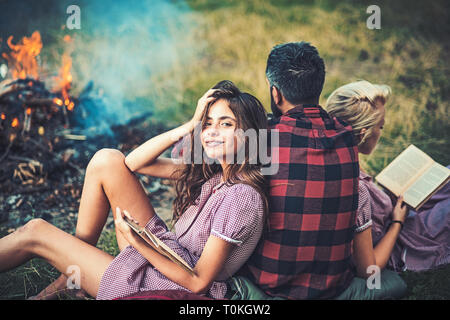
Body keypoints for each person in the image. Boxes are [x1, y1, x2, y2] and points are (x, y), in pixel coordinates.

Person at [0, 80, 269, 300]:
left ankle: (76, 274)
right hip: (164, 255)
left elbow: (197, 283)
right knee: (107, 160)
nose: (211, 131)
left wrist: (140, 243)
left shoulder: (241, 197)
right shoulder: (215, 174)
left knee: (35, 231)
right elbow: (134, 163)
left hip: (165, 286)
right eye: (207, 123)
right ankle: (70, 278)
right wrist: (187, 126)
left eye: (225, 124)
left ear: (248, 134)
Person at [241, 42, 360, 300]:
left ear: (276, 93)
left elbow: (186, 155)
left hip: (268, 285)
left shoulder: (262, 139)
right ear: (318, 86)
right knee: (392, 282)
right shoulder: (347, 136)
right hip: (333, 286)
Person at [325, 80, 449, 299]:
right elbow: (368, 268)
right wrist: (397, 222)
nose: (382, 132)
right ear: (362, 132)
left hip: (394, 215)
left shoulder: (339, 155)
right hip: (400, 242)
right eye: (380, 127)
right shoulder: (356, 191)